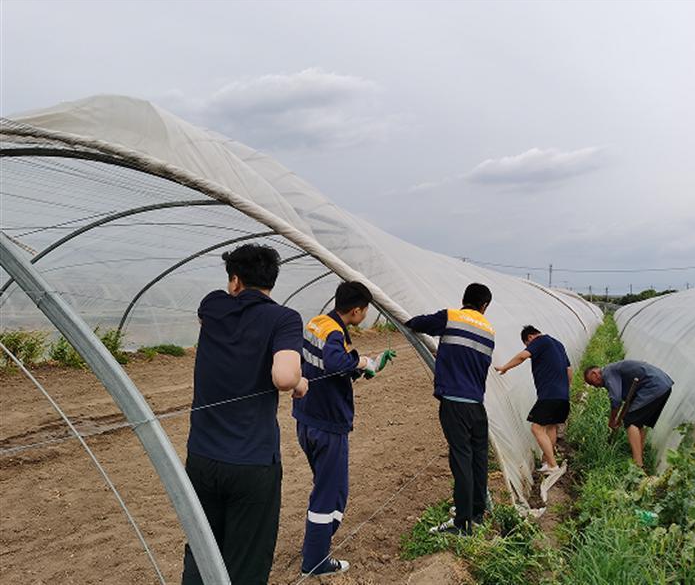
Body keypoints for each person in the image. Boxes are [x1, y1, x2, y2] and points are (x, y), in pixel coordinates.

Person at [181, 244, 306, 585]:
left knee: (202, 551)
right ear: (272, 282)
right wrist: (299, 382)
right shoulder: (284, 318)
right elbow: (283, 377)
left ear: (234, 281)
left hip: (202, 458)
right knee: (246, 562)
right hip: (252, 464)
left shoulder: (212, 305)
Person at [293, 281, 395, 576]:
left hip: (307, 419)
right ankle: (315, 561)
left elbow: (325, 368)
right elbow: (336, 362)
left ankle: (316, 542)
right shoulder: (336, 333)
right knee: (332, 492)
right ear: (356, 310)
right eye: (365, 311)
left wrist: (368, 368)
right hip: (328, 425)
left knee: (328, 487)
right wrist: (361, 360)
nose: (364, 315)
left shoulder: (317, 323)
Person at [406, 283, 495, 536]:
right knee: (478, 460)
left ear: (463, 299)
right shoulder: (489, 330)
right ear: (484, 306)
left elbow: (416, 323)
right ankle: (476, 514)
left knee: (461, 460)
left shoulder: (451, 317)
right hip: (477, 405)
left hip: (455, 403)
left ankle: (462, 524)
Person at [495, 326, 572, 474]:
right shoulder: (558, 344)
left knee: (536, 428)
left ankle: (552, 465)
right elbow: (569, 370)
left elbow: (523, 356)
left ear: (530, 338)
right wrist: (564, 389)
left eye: (527, 344)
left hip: (549, 395)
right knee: (550, 427)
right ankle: (546, 462)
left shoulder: (540, 341)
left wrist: (505, 367)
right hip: (562, 396)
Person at [584, 360, 674, 467]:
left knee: (631, 421)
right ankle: (639, 455)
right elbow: (627, 399)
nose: (595, 386)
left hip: (653, 386)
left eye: (591, 383)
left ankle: (638, 465)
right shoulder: (613, 369)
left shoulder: (608, 372)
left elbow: (616, 400)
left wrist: (612, 420)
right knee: (638, 422)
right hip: (663, 385)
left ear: (594, 375)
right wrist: (619, 416)